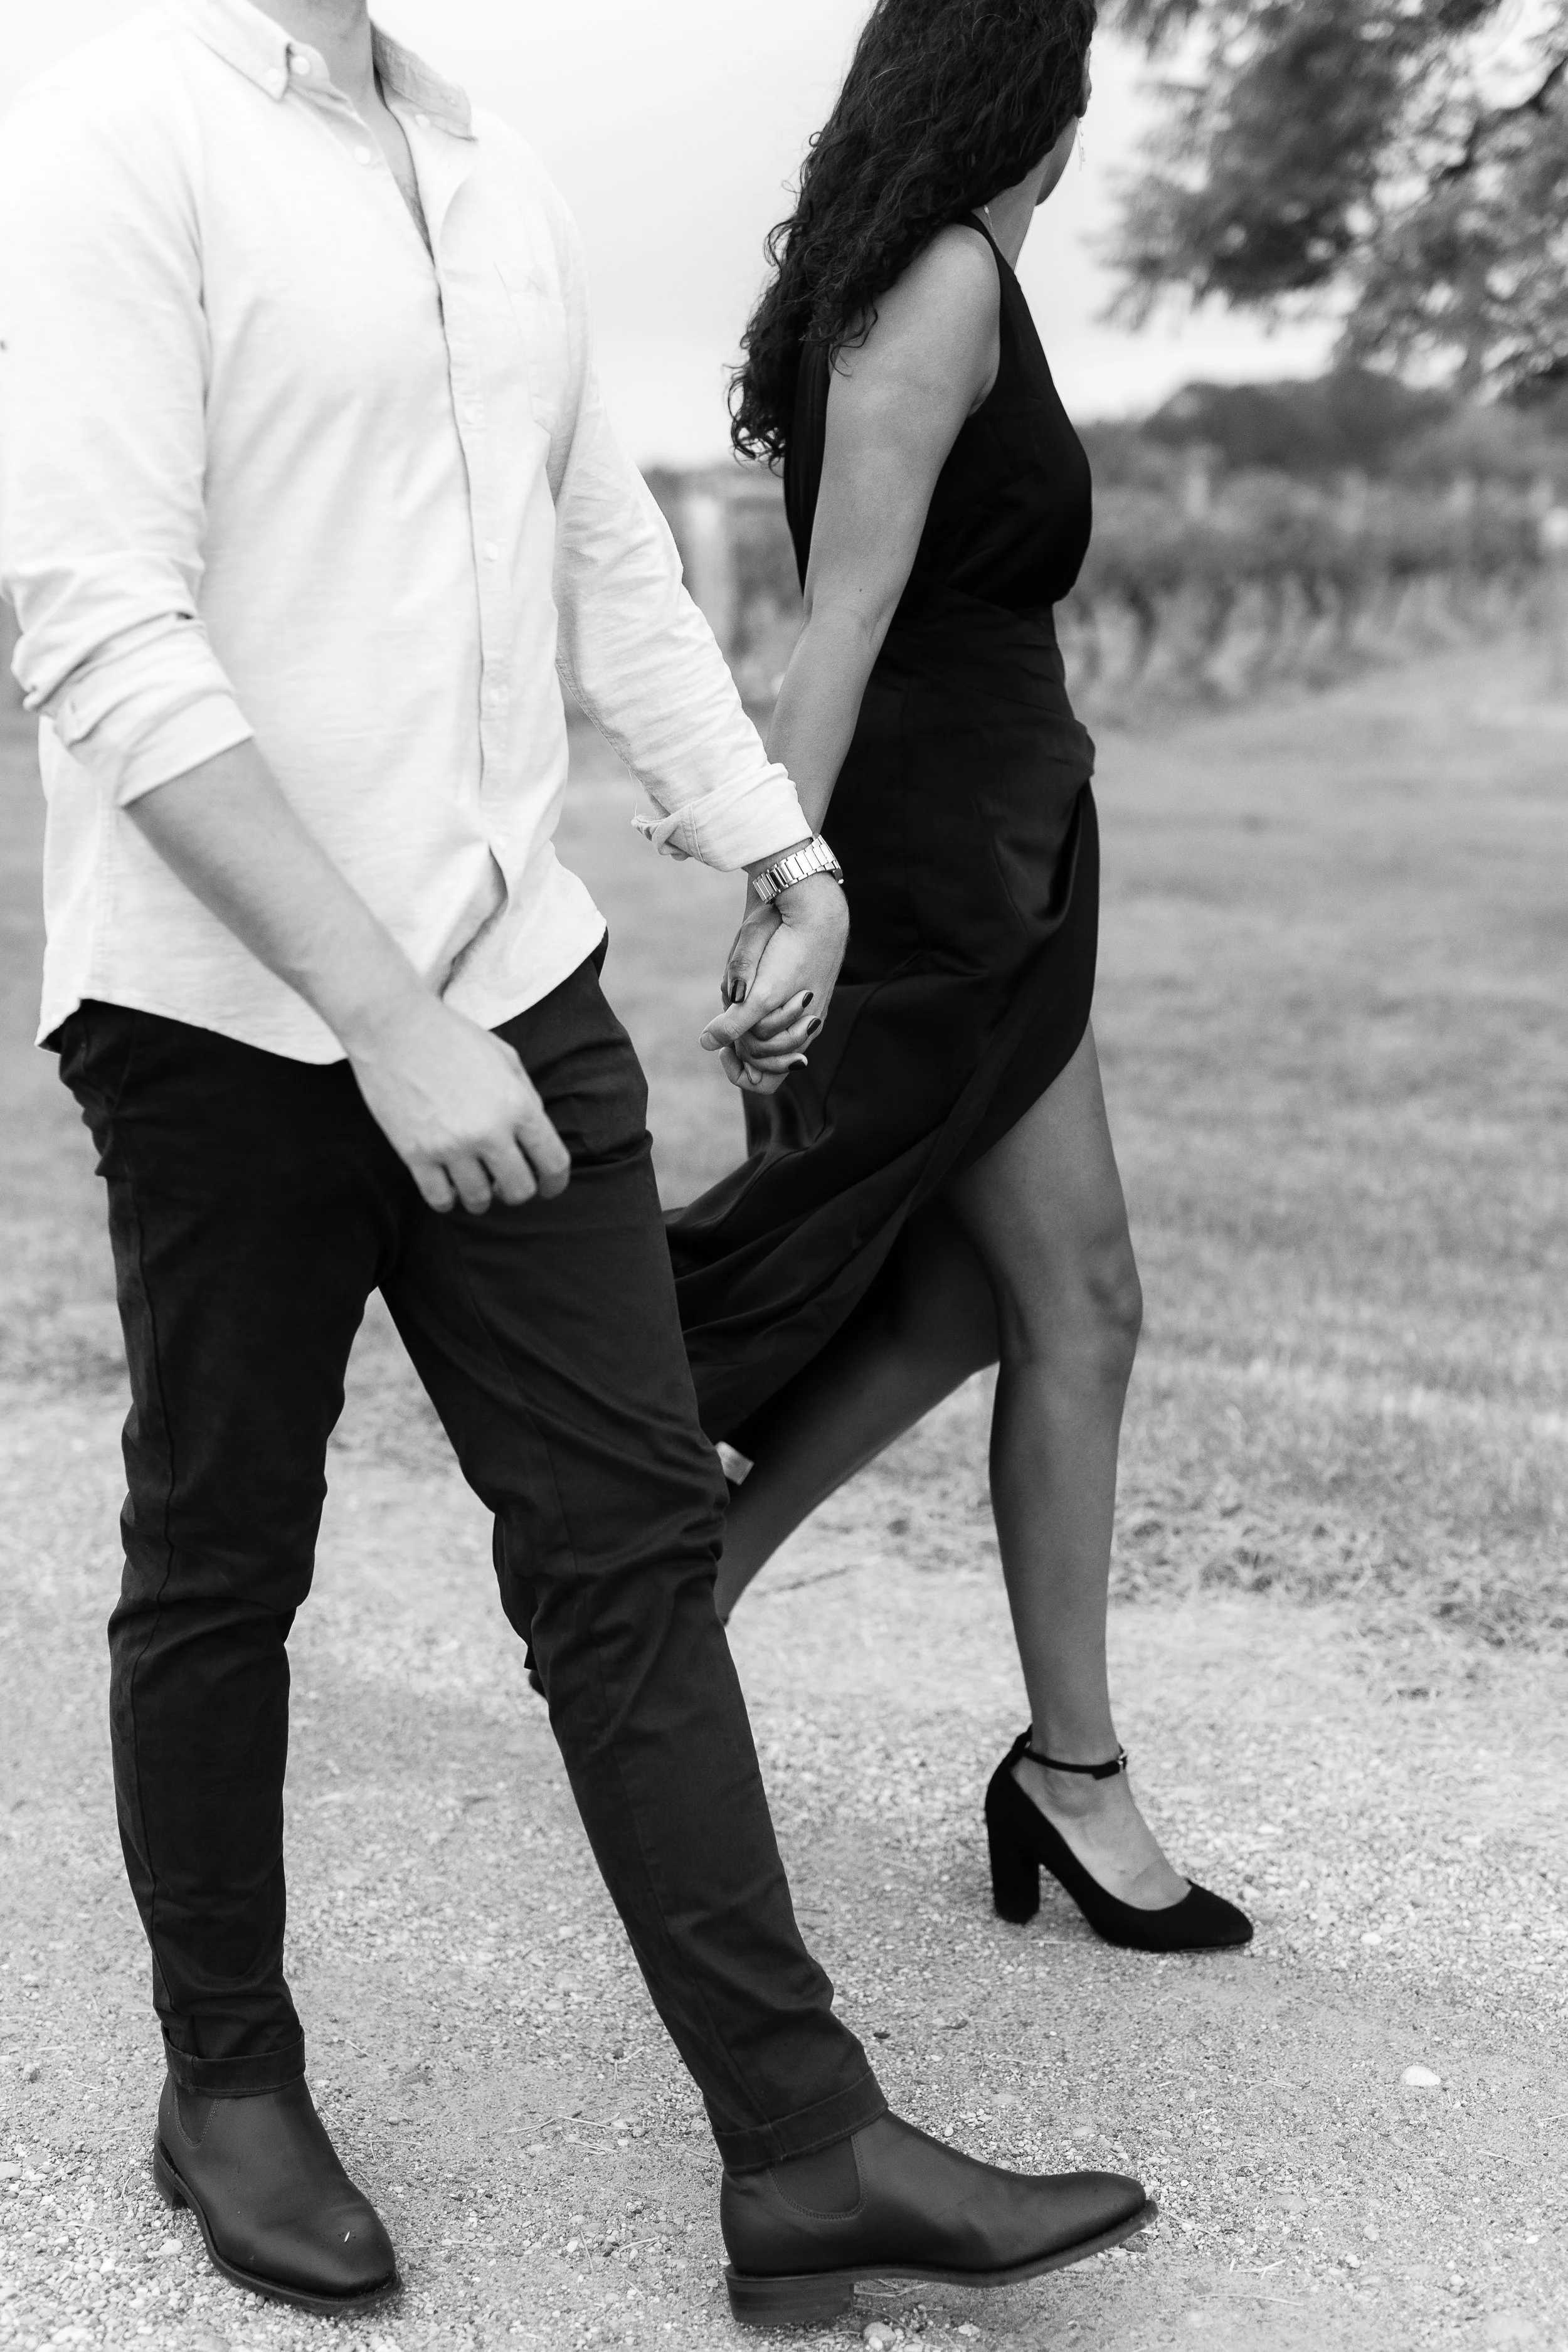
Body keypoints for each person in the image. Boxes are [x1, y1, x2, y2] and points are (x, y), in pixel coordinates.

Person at [0, 0, 1156, 2326]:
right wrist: (384, 1022)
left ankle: (803, 2148)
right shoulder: (115, 129)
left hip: (509, 982)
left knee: (629, 1548)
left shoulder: (486, 164)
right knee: (223, 1553)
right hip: (227, 1016)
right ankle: (228, 2081)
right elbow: (98, 630)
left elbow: (603, 547)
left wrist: (776, 844)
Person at [667, 0, 1253, 1957]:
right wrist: (789, 878)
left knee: (977, 1294)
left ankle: (688, 1587)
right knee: (1072, 1296)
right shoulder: (937, 283)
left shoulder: (919, 277)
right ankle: (1061, 1768)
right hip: (944, 866)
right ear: (1038, 101)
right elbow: (837, 616)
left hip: (992, 836)